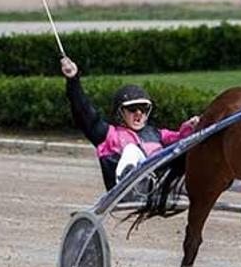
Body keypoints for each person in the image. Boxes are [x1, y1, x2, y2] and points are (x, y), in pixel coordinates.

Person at [60, 56, 199, 191]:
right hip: (126, 190)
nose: (139, 113)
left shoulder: (158, 134)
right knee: (132, 150)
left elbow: (182, 140)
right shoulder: (110, 135)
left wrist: (192, 126)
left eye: (143, 109)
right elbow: (84, 113)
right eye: (133, 109)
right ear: (121, 112)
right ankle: (134, 183)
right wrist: (73, 80)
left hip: (162, 183)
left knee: (189, 146)